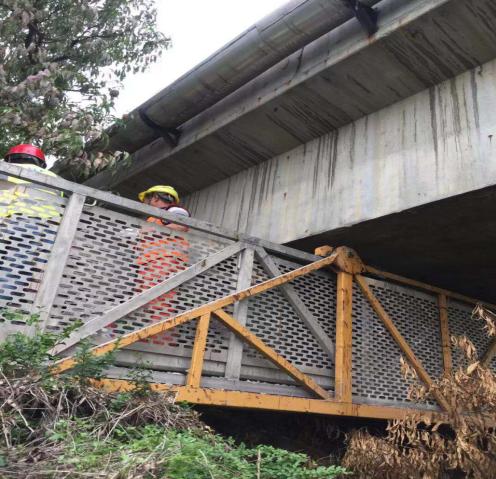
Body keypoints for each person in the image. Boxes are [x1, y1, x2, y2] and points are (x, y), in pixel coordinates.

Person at [0, 144, 62, 305]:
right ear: (40, 162)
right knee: (17, 268)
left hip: (10, 219)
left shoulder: (8, 168)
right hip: (45, 229)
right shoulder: (54, 177)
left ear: (11, 158)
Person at [135, 186, 191, 345]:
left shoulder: (174, 211)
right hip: (149, 265)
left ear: (155, 198)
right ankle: (145, 345)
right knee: (145, 307)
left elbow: (180, 225)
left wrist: (146, 231)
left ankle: (161, 347)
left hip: (165, 262)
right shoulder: (154, 218)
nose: (147, 204)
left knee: (161, 306)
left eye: (148, 200)